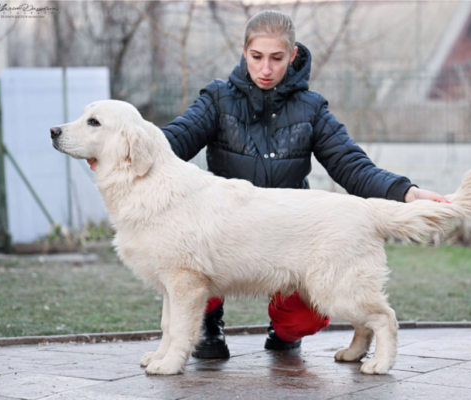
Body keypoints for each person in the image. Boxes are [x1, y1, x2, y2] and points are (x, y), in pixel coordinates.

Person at [161, 10, 448, 359]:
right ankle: (208, 325)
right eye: (256, 57)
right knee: (189, 265)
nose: (265, 69)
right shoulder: (217, 100)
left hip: (291, 234)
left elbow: (350, 164)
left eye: (277, 58)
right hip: (225, 234)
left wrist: (407, 192)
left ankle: (282, 331)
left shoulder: (311, 109)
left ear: (293, 55)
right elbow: (174, 140)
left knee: (302, 318)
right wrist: (123, 143)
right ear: (243, 51)